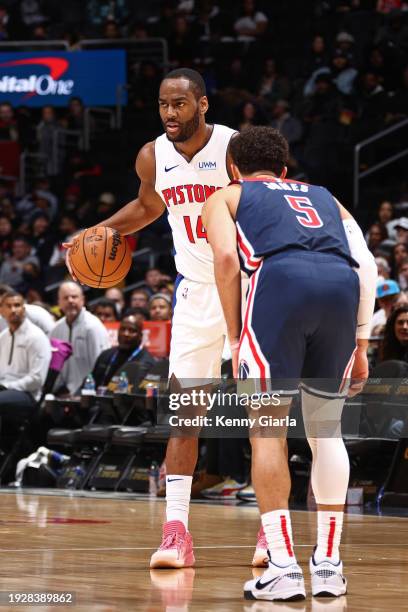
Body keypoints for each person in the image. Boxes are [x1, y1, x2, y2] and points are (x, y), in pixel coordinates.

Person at [63, 68, 260, 569]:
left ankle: (269, 530)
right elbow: (149, 206)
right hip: (195, 295)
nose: (170, 113)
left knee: (264, 415)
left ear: (203, 104)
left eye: (179, 103)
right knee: (184, 417)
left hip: (247, 287)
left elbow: (266, 206)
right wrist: (97, 229)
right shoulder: (153, 155)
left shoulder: (235, 149)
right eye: (163, 105)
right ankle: (176, 533)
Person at [202, 126, 377, 601]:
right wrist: (361, 344)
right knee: (327, 432)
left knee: (267, 430)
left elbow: (224, 258)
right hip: (339, 292)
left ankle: (282, 567)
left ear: (233, 168)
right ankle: (329, 567)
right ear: (284, 169)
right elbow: (367, 266)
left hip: (280, 286)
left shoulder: (227, 196)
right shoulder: (325, 196)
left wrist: (236, 336)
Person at [50, 282, 110, 395]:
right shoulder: (56, 329)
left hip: (88, 392)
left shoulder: (93, 327)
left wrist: (82, 392)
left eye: (74, 297)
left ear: (82, 300)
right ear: (59, 303)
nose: (70, 301)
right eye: (65, 298)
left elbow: (100, 367)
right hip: (62, 391)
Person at [0, 290, 51, 422]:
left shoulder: (36, 337)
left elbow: (37, 379)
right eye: (9, 306)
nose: (13, 310)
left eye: (17, 305)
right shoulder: (3, 337)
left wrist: (8, 386)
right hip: (5, 388)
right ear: (1, 310)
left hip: (28, 394)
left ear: (24, 308)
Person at [90, 313, 156, 389]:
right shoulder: (105, 355)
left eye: (132, 331)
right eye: (122, 329)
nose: (126, 334)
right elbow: (91, 381)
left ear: (140, 336)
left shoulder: (146, 363)